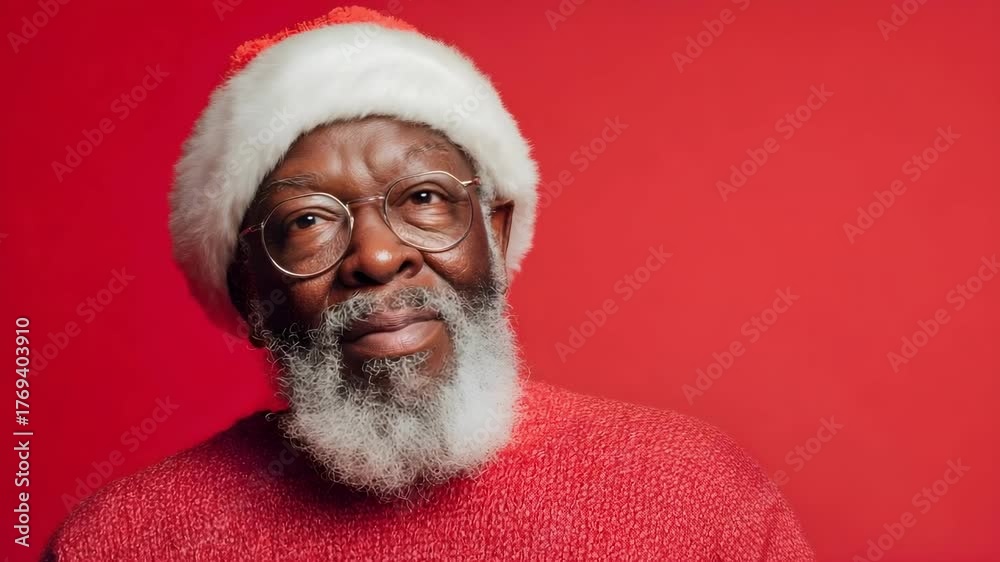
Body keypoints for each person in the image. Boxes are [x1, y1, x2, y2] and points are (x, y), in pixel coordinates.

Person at [44, 6, 814, 560]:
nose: (377, 257)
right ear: (250, 292)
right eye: (308, 221)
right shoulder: (126, 542)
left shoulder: (697, 496)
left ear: (498, 236)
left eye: (422, 199)